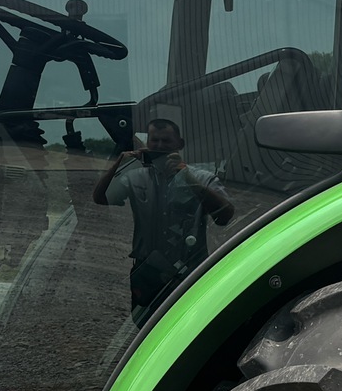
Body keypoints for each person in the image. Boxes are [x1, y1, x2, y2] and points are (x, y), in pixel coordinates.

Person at [92, 116, 235, 319]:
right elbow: (100, 198)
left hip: (190, 270)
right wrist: (119, 164)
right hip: (147, 271)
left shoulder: (201, 178)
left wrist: (187, 177)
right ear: (146, 143)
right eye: (154, 141)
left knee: (192, 322)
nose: (159, 146)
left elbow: (225, 215)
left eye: (166, 141)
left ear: (180, 145)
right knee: (144, 324)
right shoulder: (134, 176)